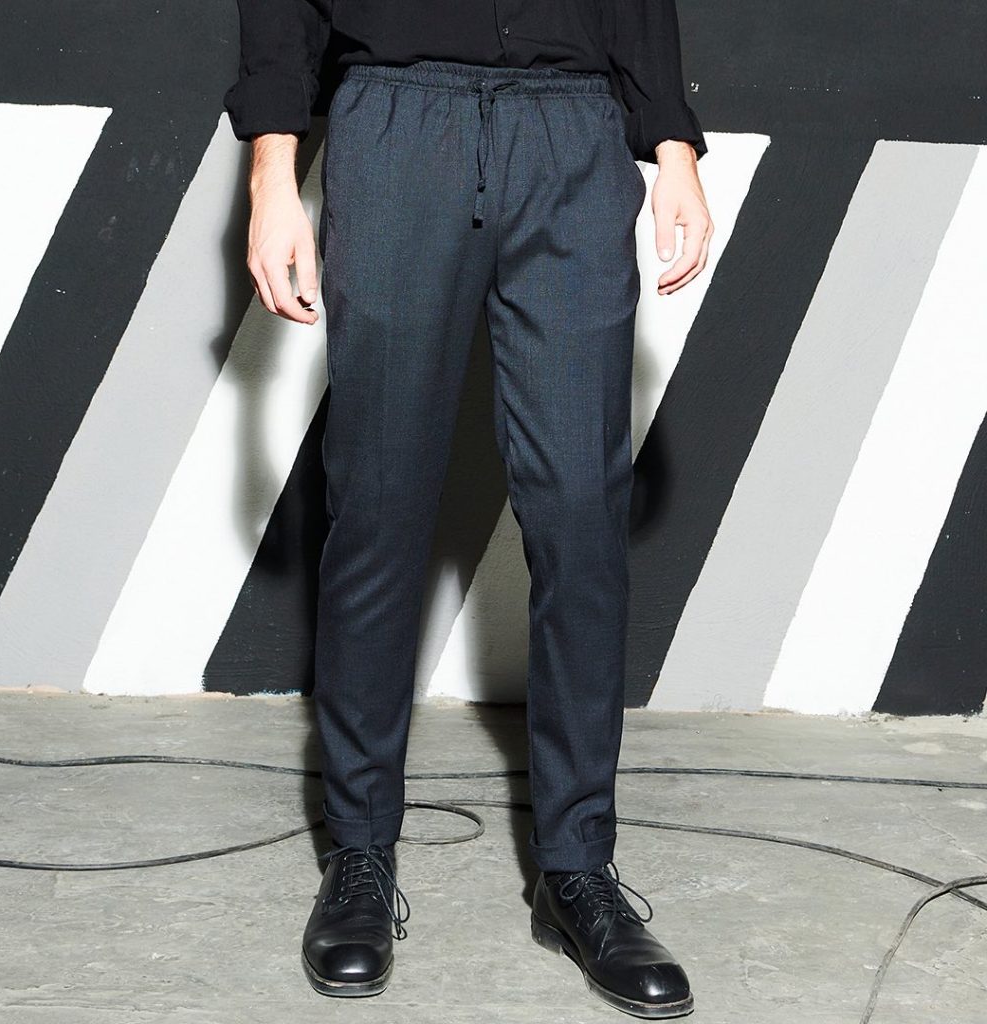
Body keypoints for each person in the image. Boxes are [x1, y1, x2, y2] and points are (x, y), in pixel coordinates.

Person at [223, 1, 713, 1017]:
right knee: (379, 506)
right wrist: (271, 173)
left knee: (581, 517)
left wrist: (670, 142)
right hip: (400, 123)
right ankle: (359, 855)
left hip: (573, 131)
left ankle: (577, 869)